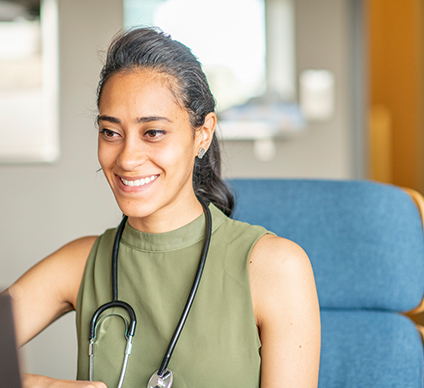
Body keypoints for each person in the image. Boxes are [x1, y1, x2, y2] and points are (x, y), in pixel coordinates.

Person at [5, 27, 320, 388]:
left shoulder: (276, 269)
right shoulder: (79, 264)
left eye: (152, 132)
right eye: (111, 132)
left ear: (202, 134)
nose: (127, 158)